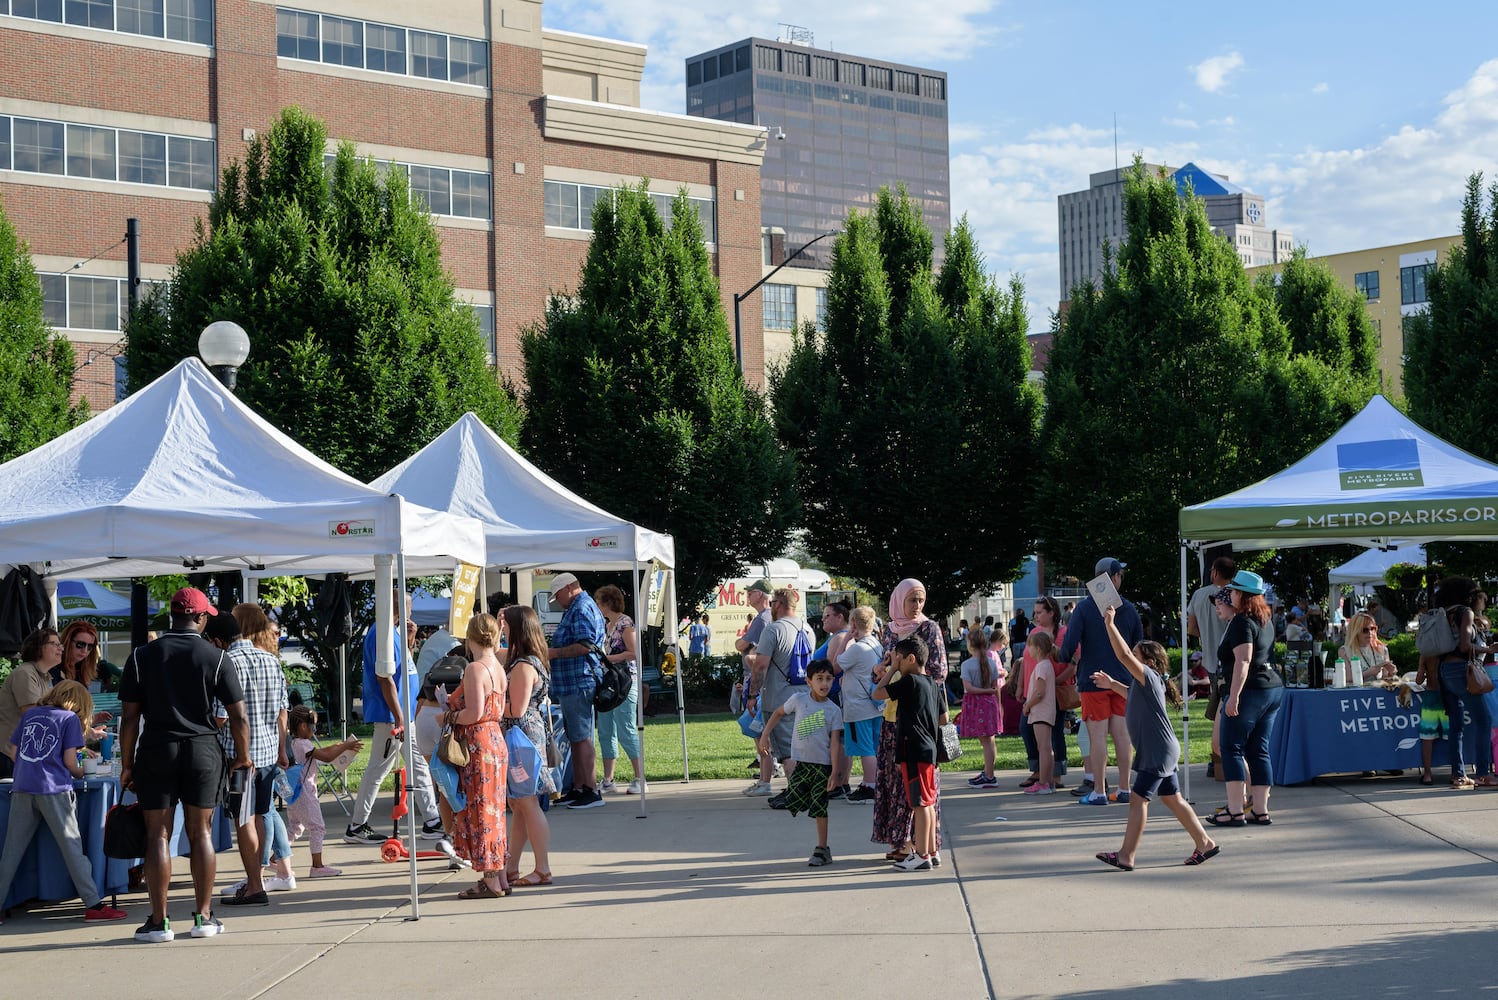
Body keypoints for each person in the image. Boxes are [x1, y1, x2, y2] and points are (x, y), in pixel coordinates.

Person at [120, 587, 249, 943]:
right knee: (201, 833)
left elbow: (129, 719)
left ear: (172, 616)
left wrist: (126, 764)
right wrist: (242, 757)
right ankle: (203, 916)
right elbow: (238, 716)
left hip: (157, 749)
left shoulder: (140, 656)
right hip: (202, 750)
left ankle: (159, 922)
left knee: (157, 835)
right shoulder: (218, 657)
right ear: (201, 617)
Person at [1093, 605, 1219, 870]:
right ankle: (1205, 843)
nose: (1134, 660)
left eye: (1139, 656)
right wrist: (1112, 684)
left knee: (1139, 798)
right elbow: (1131, 695)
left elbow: (1123, 654)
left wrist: (1110, 624)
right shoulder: (1148, 682)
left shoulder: (1148, 676)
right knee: (1172, 798)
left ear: (1148, 662)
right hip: (1162, 750)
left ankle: (1126, 855)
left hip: (1158, 751)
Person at [0, 680, 127, 925]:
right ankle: (93, 904)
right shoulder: (68, 719)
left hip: (22, 787)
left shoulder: (32, 714)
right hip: (54, 789)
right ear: (79, 703)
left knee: (11, 852)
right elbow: (71, 762)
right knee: (72, 850)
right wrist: (82, 772)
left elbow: (15, 752)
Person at [345, 593, 445, 844]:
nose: (412, 610)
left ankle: (432, 821)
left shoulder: (394, 631)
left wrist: (410, 641)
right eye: (409, 605)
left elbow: (402, 669)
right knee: (379, 769)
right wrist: (399, 716)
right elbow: (385, 677)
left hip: (400, 714)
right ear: (399, 606)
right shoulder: (383, 632)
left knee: (416, 765)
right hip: (392, 715)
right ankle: (357, 825)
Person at [209, 610, 289, 909]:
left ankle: (254, 885)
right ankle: (257, 878)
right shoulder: (270, 660)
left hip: (239, 757)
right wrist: (282, 749)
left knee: (244, 821)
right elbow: (283, 711)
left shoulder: (226, 663)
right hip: (268, 753)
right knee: (261, 815)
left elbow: (219, 716)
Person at [872, 579, 946, 864]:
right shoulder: (888, 631)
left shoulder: (929, 628)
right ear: (898, 601)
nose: (917, 606)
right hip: (893, 720)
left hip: (918, 721)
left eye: (921, 599)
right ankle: (901, 841)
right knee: (894, 783)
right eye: (912, 600)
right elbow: (881, 670)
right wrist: (881, 668)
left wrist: (901, 678)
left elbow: (938, 673)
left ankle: (924, 845)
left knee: (919, 790)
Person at [1058, 558, 1142, 805]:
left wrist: (1063, 656)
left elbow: (1069, 646)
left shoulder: (1084, 609)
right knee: (1122, 737)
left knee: (1097, 738)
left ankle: (1099, 790)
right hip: (1124, 681)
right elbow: (1139, 646)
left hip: (1093, 680)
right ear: (1114, 577)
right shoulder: (1129, 609)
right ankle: (1125, 788)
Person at [1207, 571, 1284, 827]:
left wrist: (1233, 697)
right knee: (1258, 749)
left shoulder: (1242, 622)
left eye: (1235, 591)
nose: (1232, 594)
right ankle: (1260, 810)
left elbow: (1244, 660)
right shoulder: (1265, 620)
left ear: (1242, 595)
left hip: (1250, 690)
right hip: (1271, 689)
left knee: (1231, 747)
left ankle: (1235, 810)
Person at [758, 658, 843, 867]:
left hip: (822, 765)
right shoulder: (798, 700)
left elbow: (835, 744)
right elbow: (778, 713)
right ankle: (808, 800)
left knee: (819, 806)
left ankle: (822, 849)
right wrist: (764, 735)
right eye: (819, 679)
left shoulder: (834, 711)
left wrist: (835, 771)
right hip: (801, 764)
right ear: (808, 681)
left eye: (829, 679)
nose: (824, 684)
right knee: (794, 800)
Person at [449, 613, 510, 899]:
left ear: (470, 636)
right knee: (495, 810)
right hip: (496, 738)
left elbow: (473, 713)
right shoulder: (497, 666)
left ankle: (490, 880)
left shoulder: (475, 668)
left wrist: (449, 715)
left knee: (481, 810)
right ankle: (499, 873)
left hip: (479, 742)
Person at [498, 606, 555, 886]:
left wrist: (490, 707)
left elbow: (516, 709)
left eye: (506, 626)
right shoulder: (528, 660)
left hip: (520, 738)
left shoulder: (523, 666)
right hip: (524, 736)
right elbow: (487, 651)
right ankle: (512, 866)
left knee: (528, 803)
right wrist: (496, 629)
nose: (504, 631)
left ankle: (542, 868)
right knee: (520, 804)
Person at [744, 587, 817, 808]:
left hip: (778, 698)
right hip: (805, 696)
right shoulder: (807, 629)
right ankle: (801, 788)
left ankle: (797, 793)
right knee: (801, 746)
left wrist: (752, 694)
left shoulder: (774, 630)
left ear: (777, 604)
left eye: (773, 602)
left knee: (787, 750)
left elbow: (761, 665)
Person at [1424, 576, 1495, 789]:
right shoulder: (1465, 612)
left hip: (1444, 671)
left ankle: (1459, 775)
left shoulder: (1444, 613)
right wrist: (1489, 650)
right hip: (1462, 670)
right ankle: (1483, 774)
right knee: (1484, 721)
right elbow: (1465, 646)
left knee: (1456, 725)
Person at [546, 572, 606, 810]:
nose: (558, 600)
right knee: (578, 737)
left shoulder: (581, 608)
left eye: (558, 595)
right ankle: (580, 787)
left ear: (570, 588)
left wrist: (553, 653)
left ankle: (591, 789)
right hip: (573, 681)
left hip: (578, 681)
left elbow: (585, 645)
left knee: (581, 738)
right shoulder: (578, 607)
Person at [284, 706, 361, 877]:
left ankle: (276, 859)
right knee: (318, 828)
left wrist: (340, 745)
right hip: (305, 794)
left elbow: (321, 752)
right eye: (313, 727)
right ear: (303, 726)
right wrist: (346, 746)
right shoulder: (303, 744)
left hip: (295, 794)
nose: (315, 730)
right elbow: (326, 757)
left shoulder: (295, 743)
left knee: (295, 828)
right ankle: (317, 867)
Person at [1186, 556, 1236, 778]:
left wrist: (1207, 636)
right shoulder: (1237, 595)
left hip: (1211, 662)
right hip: (1234, 659)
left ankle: (1216, 759)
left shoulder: (1198, 595)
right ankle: (1222, 760)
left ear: (1215, 571)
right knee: (1231, 712)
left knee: (1217, 712)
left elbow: (1191, 629)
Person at [594, 585, 644, 797]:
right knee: (605, 731)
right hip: (608, 684)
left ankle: (640, 777)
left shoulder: (626, 623)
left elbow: (633, 653)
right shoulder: (606, 624)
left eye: (599, 601)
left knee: (626, 729)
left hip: (624, 683)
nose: (597, 605)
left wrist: (607, 659)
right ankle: (608, 779)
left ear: (608, 602)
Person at [1020, 597, 1070, 789]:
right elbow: (1024, 661)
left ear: (1052, 613)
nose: (1036, 616)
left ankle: (1050, 778)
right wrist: (1019, 686)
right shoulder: (1035, 633)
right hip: (1035, 694)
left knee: (1052, 737)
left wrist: (1053, 683)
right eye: (1035, 612)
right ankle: (1040, 773)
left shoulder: (1063, 634)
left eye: (1040, 612)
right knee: (1028, 731)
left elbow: (1074, 661)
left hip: (1048, 696)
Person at [837, 607, 884, 804]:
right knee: (874, 747)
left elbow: (836, 663)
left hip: (858, 707)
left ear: (854, 623)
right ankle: (876, 783)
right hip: (875, 705)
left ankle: (869, 785)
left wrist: (846, 638)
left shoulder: (857, 648)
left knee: (865, 749)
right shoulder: (876, 644)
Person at [0, 628, 60, 780]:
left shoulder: (44, 676)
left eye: (61, 645)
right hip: (9, 755)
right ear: (38, 647)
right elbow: (35, 715)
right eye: (54, 644)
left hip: (22, 755)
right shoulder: (25, 673)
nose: (60, 648)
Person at [816, 600, 852, 797]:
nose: (823, 619)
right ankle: (841, 782)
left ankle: (838, 783)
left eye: (827, 615)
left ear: (840, 617)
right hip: (835, 695)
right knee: (840, 740)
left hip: (833, 695)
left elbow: (831, 668)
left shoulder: (839, 638)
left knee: (837, 740)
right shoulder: (839, 637)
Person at [959, 629, 1002, 788]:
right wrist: (994, 698)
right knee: (990, 740)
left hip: (976, 704)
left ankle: (989, 776)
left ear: (970, 644)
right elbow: (995, 687)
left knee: (986, 741)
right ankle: (989, 771)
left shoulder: (967, 665)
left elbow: (969, 688)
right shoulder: (991, 663)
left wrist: (985, 691)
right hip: (990, 703)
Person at [1021, 630, 1059, 794]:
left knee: (1043, 747)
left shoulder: (1042, 666)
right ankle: (1048, 781)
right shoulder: (1046, 665)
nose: (1028, 650)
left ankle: (1043, 782)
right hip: (1045, 712)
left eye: (1030, 646)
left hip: (1040, 712)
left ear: (1037, 648)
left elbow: (1039, 692)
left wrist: (1028, 705)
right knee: (1046, 746)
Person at [1340, 613, 1396, 685]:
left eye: (1373, 629)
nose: (1370, 633)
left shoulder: (1382, 649)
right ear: (1355, 631)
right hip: (1357, 694)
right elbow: (1347, 678)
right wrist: (1368, 673)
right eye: (1365, 630)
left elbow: (1385, 678)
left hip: (1378, 693)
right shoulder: (1345, 651)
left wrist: (1391, 672)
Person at [52, 621, 101, 690]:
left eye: (90, 646)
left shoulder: (82, 670)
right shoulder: (53, 667)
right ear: (68, 642)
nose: (85, 650)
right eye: (80, 644)